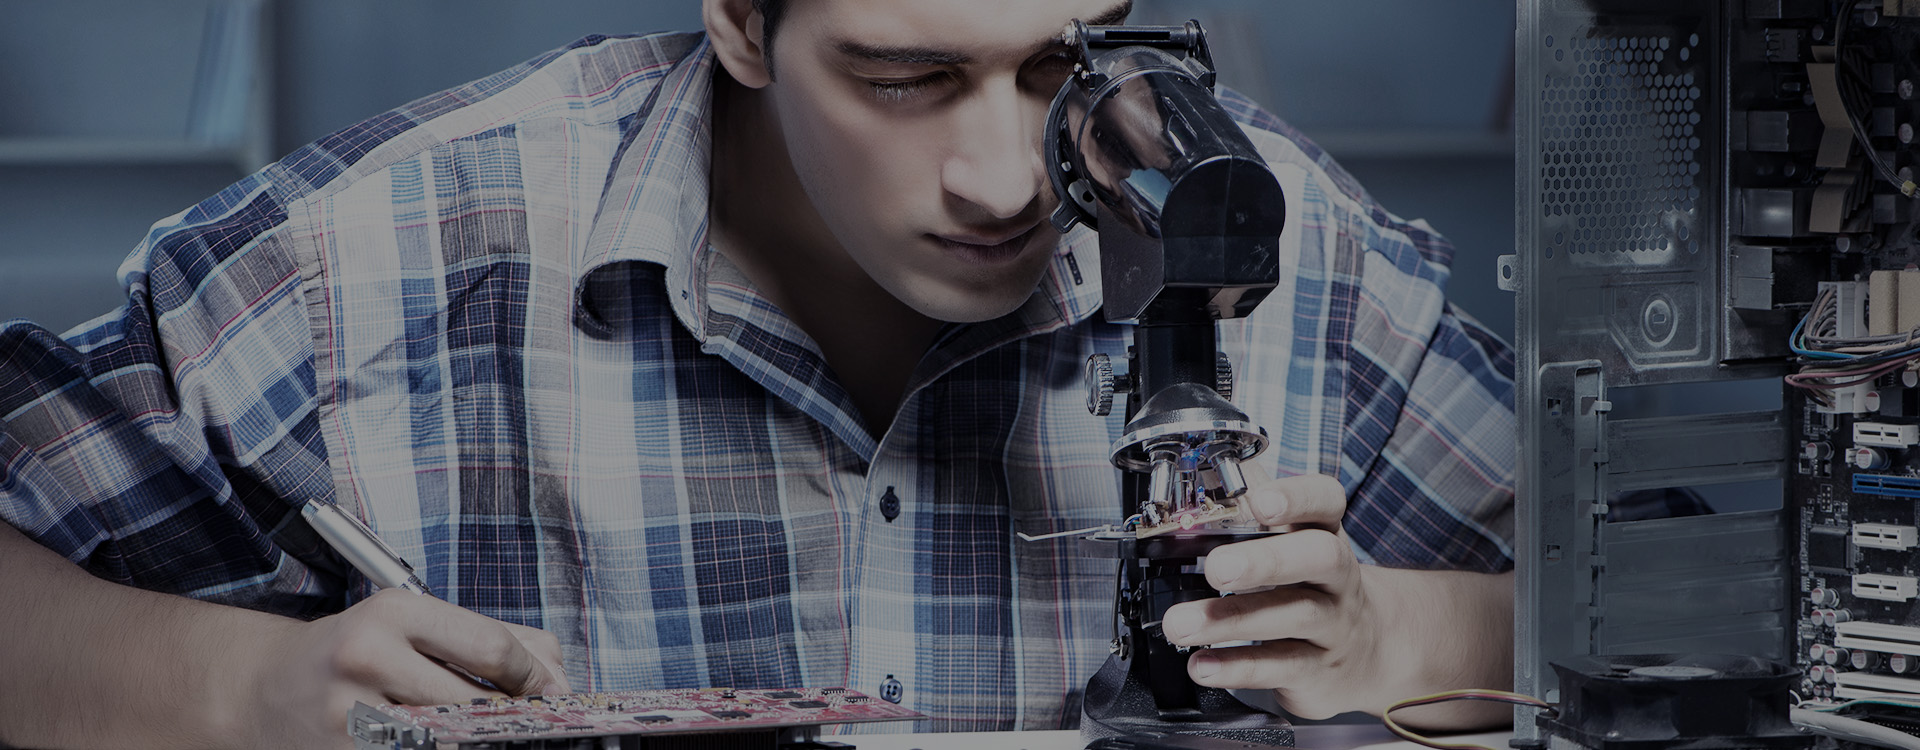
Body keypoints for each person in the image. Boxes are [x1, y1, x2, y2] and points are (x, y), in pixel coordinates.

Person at [0, 0, 1519, 748]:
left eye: (1066, 65)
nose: (1003, 177)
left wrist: (1393, 629)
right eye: (904, 77)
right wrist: (244, 686)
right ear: (740, 16)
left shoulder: (1279, 234)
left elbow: (1648, 611)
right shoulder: (383, 254)